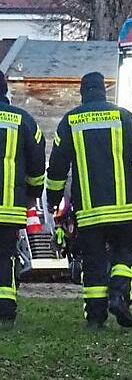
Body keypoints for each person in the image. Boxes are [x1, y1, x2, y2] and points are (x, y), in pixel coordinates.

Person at [46, 72, 132, 329]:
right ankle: (119, 294)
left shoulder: (70, 121)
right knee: (124, 254)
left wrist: (53, 200)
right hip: (125, 208)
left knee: (94, 262)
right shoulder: (124, 117)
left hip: (90, 211)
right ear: (103, 91)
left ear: (83, 93)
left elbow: (57, 167)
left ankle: (96, 317)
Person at [0, 72, 46, 327]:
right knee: (5, 256)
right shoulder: (22, 120)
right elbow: (38, 162)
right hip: (9, 208)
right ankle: (5, 309)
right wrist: (33, 195)